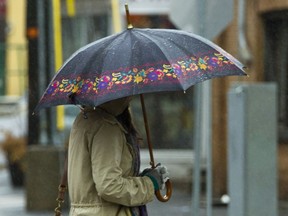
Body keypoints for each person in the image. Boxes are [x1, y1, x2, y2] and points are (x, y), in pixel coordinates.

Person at [67, 97, 169, 216]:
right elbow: (109, 186)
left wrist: (140, 177)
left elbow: (93, 179)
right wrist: (149, 183)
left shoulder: (83, 119)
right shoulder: (106, 126)